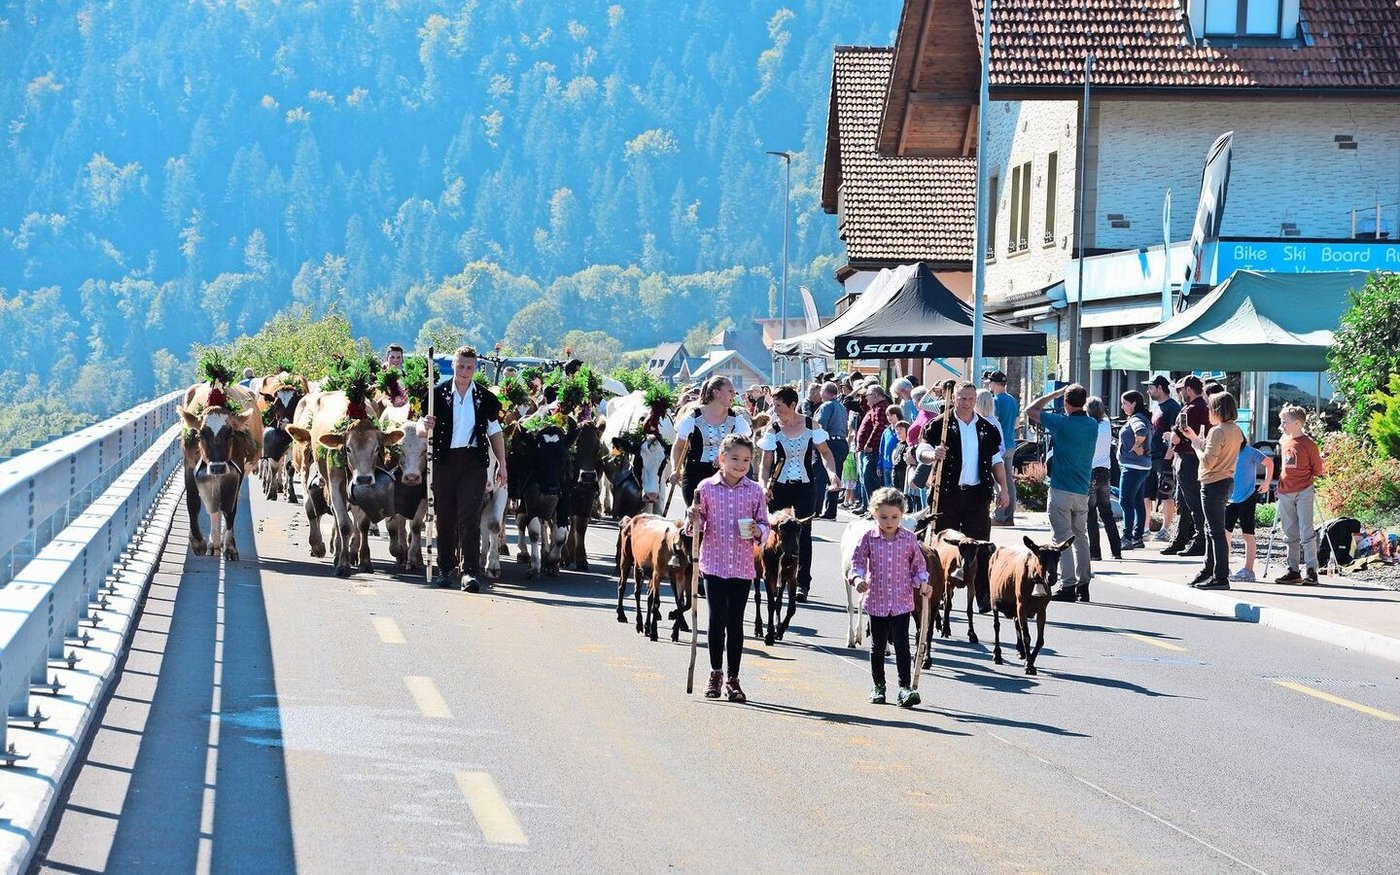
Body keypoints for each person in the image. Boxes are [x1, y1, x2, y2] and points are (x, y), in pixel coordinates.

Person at [686, 434, 769, 702]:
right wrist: (693, 517)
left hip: (743, 565)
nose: (740, 464)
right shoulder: (706, 488)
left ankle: (734, 678)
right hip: (714, 562)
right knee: (716, 619)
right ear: (722, 458)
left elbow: (765, 526)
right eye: (735, 458)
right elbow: (693, 529)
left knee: (735, 621)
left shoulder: (755, 491)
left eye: (746, 460)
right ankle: (715, 672)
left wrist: (759, 531)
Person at [419, 346, 508, 593]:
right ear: (454, 365)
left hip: (473, 461)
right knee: (445, 515)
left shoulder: (485, 398)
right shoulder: (435, 394)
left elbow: (495, 432)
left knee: (469, 516)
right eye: (460, 366)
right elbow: (419, 426)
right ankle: (445, 568)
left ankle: (469, 571)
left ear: (475, 368)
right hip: (444, 460)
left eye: (469, 367)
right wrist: (424, 425)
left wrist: (502, 463)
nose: (465, 371)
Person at [919, 382, 1011, 612]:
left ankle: (983, 595)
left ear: (976, 401)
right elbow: (920, 450)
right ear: (954, 398)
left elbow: (995, 460)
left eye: (970, 399)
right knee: (942, 545)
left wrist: (1004, 488)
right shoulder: (940, 425)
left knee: (980, 545)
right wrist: (932, 454)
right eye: (962, 398)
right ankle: (938, 592)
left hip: (977, 495)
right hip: (947, 494)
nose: (966, 403)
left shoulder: (987, 428)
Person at [848, 487, 933, 708]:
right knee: (877, 646)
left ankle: (905, 688)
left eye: (894, 517)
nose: (889, 521)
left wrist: (923, 583)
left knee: (902, 645)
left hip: (902, 601)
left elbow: (918, 567)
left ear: (902, 515)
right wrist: (858, 580)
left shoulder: (909, 539)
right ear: (874, 513)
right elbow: (857, 564)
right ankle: (878, 686)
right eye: (883, 516)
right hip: (876, 600)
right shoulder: (868, 538)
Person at [758, 386, 840, 602]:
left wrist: (833, 475)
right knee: (775, 532)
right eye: (774, 405)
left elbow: (826, 454)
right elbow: (766, 464)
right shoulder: (773, 429)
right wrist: (764, 486)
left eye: (779, 405)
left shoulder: (812, 426)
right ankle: (774, 576)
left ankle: (802, 582)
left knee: (803, 532)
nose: (775, 410)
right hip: (779, 486)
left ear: (792, 405)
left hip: (804, 485)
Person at [1027, 383, 1097, 602]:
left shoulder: (1061, 423)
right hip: (1082, 490)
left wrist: (1053, 394)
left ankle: (1068, 585)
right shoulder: (1092, 424)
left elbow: (1030, 410)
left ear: (1066, 403)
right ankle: (1083, 584)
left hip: (1060, 489)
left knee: (1062, 539)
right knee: (1081, 538)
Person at [1181, 391, 1245, 589]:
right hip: (1225, 480)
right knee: (1212, 529)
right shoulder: (1235, 430)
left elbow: (1208, 461)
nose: (1208, 410)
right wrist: (1196, 439)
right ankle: (1209, 570)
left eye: (1210, 407)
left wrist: (1196, 447)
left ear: (1218, 410)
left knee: (1216, 531)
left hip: (1212, 482)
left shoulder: (1217, 431)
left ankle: (1220, 576)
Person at [669, 376, 751, 507]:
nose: (734, 395)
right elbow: (678, 446)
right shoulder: (693, 417)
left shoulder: (736, 419)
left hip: (726, 475)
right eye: (730, 391)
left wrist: (726, 457)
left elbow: (745, 448)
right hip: (695, 474)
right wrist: (675, 470)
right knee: (695, 518)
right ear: (716, 393)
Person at [1274, 404, 1325, 584]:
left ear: (1297, 423)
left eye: (1285, 422)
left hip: (1303, 489)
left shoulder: (1309, 444)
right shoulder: (1284, 440)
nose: (1282, 426)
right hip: (1286, 490)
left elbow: (1318, 469)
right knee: (1289, 532)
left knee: (1306, 530)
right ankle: (1293, 569)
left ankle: (1311, 569)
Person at [1162, 376, 1210, 557]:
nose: (1179, 393)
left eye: (1181, 390)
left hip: (1188, 458)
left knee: (1191, 502)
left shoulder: (1189, 409)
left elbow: (1176, 437)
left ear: (1189, 390)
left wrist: (1170, 437)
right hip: (1195, 457)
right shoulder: (1204, 408)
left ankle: (1200, 540)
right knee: (1184, 502)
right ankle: (1180, 539)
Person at [1222, 438, 1274, 582]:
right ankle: (1224, 566)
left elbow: (1269, 462)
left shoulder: (1249, 451)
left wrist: (1267, 482)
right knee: (1225, 533)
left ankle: (1248, 569)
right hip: (1230, 498)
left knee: (1248, 534)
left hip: (1247, 497)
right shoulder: (1227, 451)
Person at [1085, 397, 1123, 562]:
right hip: (1104, 471)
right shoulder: (1106, 424)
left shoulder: (1089, 427)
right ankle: (1116, 550)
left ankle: (1095, 552)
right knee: (1107, 513)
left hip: (1091, 471)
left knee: (1091, 514)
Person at [1144, 376, 1180, 541]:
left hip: (1164, 456)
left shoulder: (1173, 407)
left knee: (1166, 492)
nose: (1148, 391)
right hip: (1152, 455)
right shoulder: (1157, 406)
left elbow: (1177, 431)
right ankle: (1145, 527)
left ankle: (1165, 529)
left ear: (1159, 388)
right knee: (1147, 493)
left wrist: (1170, 452)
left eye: (1150, 387)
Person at [1117, 390, 1153, 549]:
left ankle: (1127, 537)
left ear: (1134, 404)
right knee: (1138, 502)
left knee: (1125, 502)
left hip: (1133, 467)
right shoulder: (1143, 418)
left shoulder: (1137, 419)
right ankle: (1137, 537)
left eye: (1125, 403)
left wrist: (1138, 445)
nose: (1122, 406)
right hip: (1142, 466)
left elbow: (1141, 431)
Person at [813, 381, 849, 519]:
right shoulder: (841, 407)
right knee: (835, 476)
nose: (820, 395)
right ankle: (831, 511)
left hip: (829, 443)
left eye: (822, 392)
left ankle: (815, 509)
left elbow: (819, 427)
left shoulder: (826, 406)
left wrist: (813, 445)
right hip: (841, 443)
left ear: (827, 393)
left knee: (819, 476)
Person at [854, 383, 891, 516]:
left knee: (871, 481)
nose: (866, 399)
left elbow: (879, 427)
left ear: (875, 396)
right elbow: (863, 405)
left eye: (868, 396)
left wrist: (869, 444)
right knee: (867, 480)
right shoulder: (875, 407)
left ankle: (875, 511)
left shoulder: (880, 408)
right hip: (869, 451)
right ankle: (871, 509)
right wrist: (864, 393)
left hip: (873, 451)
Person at [989, 372, 1020, 524]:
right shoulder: (1012, 400)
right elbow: (1016, 423)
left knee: (999, 481)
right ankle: (1009, 516)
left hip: (999, 445)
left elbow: (993, 422)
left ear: (994, 383)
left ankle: (999, 516)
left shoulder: (995, 401)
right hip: (1011, 443)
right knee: (1008, 480)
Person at [878, 404, 903, 487]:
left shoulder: (902, 430)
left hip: (897, 466)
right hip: (886, 466)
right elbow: (881, 450)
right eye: (887, 415)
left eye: (891, 415)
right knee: (888, 492)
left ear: (898, 415)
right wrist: (879, 465)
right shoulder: (886, 431)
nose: (889, 417)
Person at [890, 421, 912, 509]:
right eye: (897, 429)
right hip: (896, 473)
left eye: (901, 429)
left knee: (905, 497)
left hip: (903, 474)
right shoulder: (899, 444)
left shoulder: (908, 445)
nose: (898, 431)